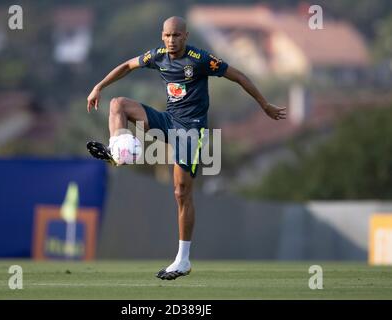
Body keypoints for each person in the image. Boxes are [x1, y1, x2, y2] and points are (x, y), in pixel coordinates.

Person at [86, 16, 286, 280]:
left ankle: (183, 260)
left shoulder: (201, 59)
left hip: (191, 130)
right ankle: (118, 150)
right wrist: (98, 86)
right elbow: (127, 66)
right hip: (168, 121)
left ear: (186, 36)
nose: (171, 40)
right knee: (118, 104)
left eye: (176, 36)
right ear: (162, 36)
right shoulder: (158, 56)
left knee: (181, 192)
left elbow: (238, 76)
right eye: (167, 36)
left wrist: (264, 104)